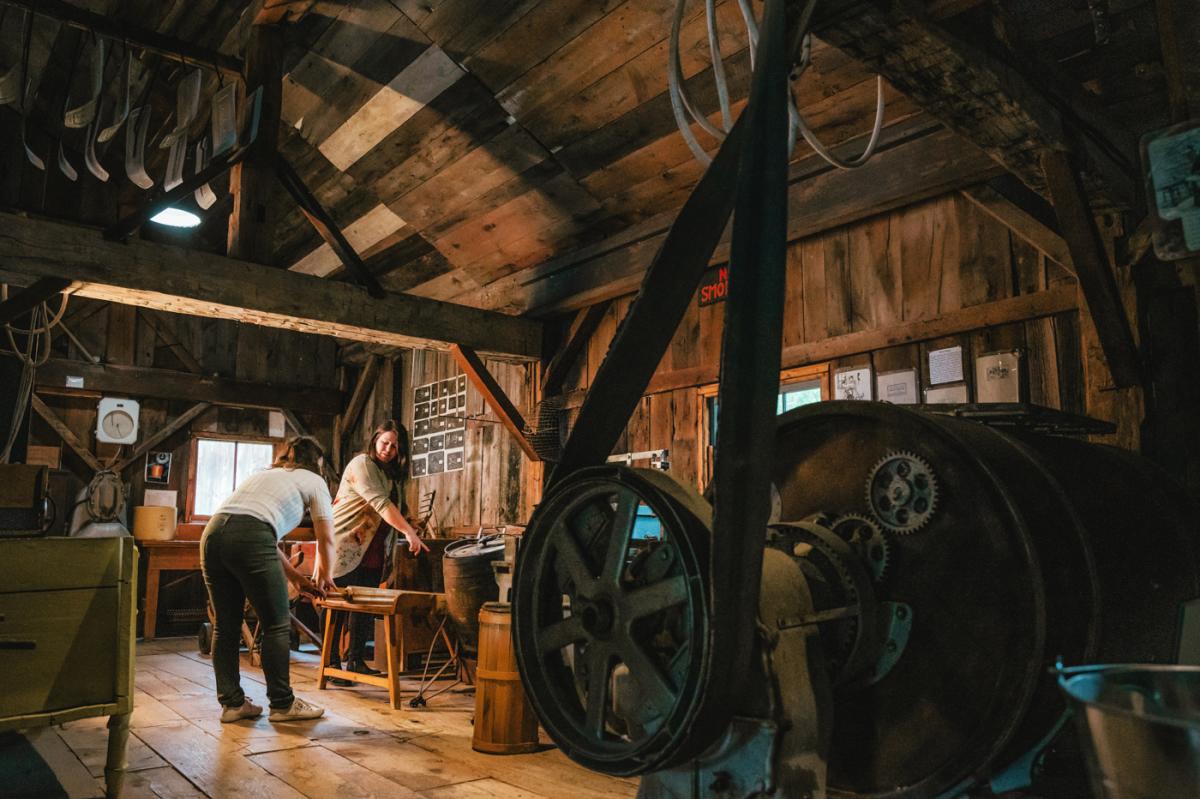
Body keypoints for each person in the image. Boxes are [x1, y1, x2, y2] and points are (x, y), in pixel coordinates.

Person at [200, 435, 336, 723]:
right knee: (276, 622)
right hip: (252, 535)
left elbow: (264, 539)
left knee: (226, 625)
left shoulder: (263, 475)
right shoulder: (314, 481)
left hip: (213, 533)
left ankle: (233, 704)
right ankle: (282, 704)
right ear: (317, 463)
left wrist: (296, 578)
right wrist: (327, 577)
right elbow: (327, 540)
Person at [327, 420, 429, 677]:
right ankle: (330, 662)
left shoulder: (390, 476)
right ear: (374, 441)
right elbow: (381, 504)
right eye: (385, 443)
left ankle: (356, 660)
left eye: (394, 446)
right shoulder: (362, 464)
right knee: (338, 604)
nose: (388, 449)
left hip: (372, 548)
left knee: (364, 605)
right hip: (345, 543)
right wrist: (407, 530)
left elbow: (397, 508)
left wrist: (411, 523)